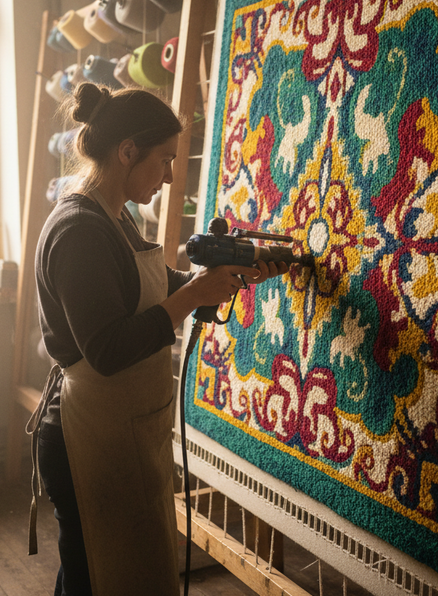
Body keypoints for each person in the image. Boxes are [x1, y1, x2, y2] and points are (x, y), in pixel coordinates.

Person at [27, 83, 289, 596]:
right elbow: (106, 350)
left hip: (117, 429)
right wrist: (194, 297)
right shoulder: (79, 230)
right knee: (94, 579)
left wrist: (234, 271)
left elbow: (147, 287)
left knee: (106, 575)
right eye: (164, 160)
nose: (170, 175)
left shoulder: (113, 214)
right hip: (87, 440)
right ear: (127, 152)